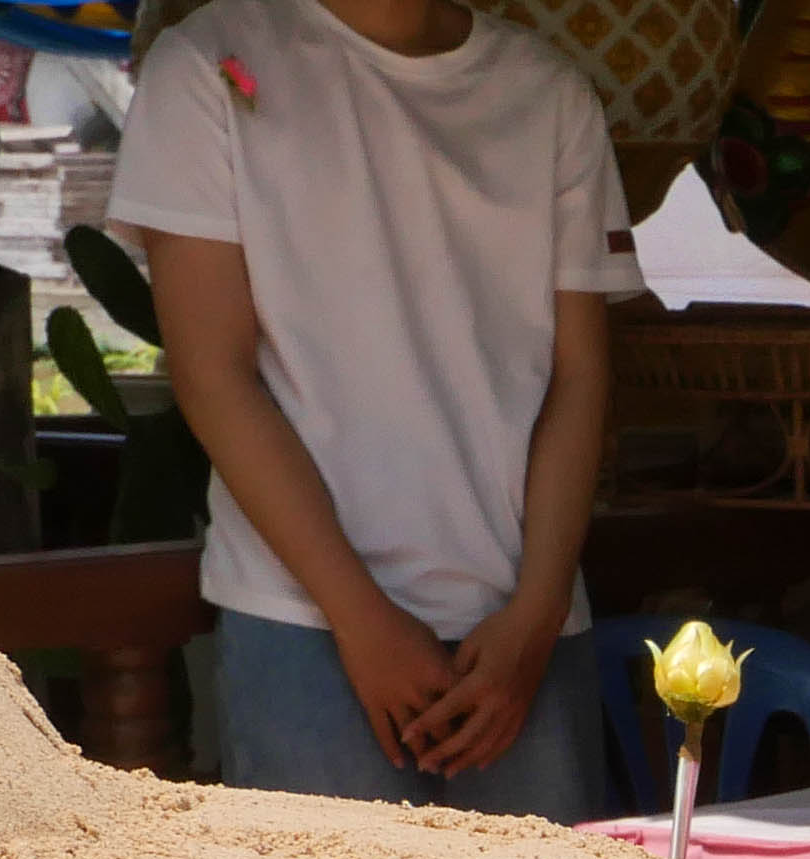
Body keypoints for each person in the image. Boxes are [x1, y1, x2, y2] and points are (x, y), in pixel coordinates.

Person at [107, 0, 643, 815]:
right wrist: (361, 620)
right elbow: (214, 377)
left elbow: (580, 377)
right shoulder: (207, 64)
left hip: (526, 642)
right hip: (306, 622)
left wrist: (537, 613)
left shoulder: (549, 92)